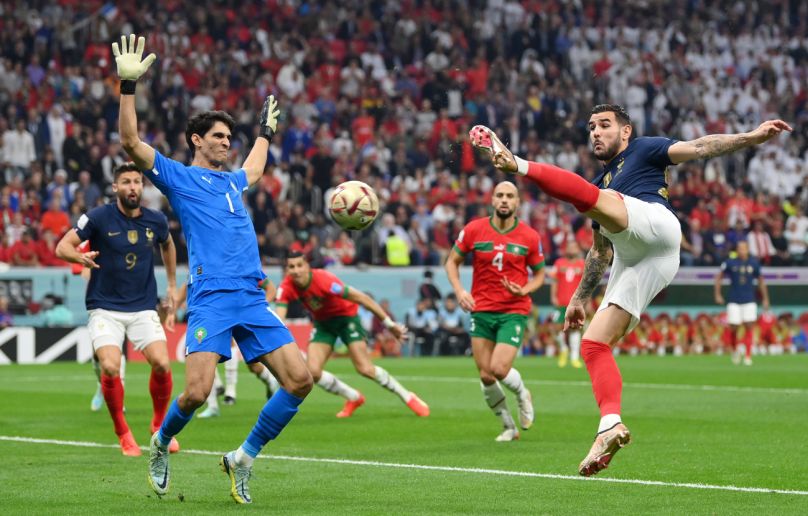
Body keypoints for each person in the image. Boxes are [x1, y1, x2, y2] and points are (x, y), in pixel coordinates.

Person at [470, 105, 790, 475]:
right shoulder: (604, 185)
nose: (595, 132)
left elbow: (700, 147)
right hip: (643, 259)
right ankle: (610, 424)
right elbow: (600, 251)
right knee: (593, 344)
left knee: (588, 196)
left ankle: (518, 163)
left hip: (656, 224)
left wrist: (751, 137)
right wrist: (578, 297)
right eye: (591, 127)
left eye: (604, 125)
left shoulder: (643, 149)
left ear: (625, 131)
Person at [113, 34, 313, 504]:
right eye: (218, 136)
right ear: (197, 141)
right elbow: (130, 142)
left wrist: (264, 133)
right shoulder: (180, 176)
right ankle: (160, 443)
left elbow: (257, 168)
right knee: (198, 392)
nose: (226, 142)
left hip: (251, 295)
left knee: (301, 381)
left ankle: (243, 457)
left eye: (230, 137)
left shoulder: (233, 182)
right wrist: (127, 86)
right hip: (211, 296)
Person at [55, 162, 179, 457]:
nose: (133, 187)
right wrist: (79, 258)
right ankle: (123, 432)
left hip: (142, 307)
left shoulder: (156, 220)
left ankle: (158, 426)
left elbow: (169, 245)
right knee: (110, 366)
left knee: (162, 363)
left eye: (137, 182)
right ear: (115, 187)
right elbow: (62, 247)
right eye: (126, 182)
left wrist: (173, 285)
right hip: (104, 307)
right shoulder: (98, 217)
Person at [445, 181, 546, 442]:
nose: (504, 200)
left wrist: (525, 290)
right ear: (492, 200)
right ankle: (509, 427)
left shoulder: (529, 236)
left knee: (499, 368)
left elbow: (540, 275)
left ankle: (523, 394)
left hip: (513, 310)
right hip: (481, 310)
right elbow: (451, 262)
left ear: (517, 203)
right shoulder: (474, 230)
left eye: (509, 196)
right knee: (485, 374)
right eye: (499, 195)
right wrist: (460, 292)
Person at [275, 251, 430, 418]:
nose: (296, 270)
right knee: (312, 372)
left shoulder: (324, 281)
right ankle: (353, 397)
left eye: (300, 265)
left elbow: (363, 298)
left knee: (365, 369)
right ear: (287, 269)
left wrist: (389, 324)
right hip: (323, 324)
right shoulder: (286, 287)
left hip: (347, 318)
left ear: (307, 266)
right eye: (292, 267)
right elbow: (279, 319)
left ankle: (408, 396)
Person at [169, 281, 282, 418]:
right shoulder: (200, 266)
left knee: (254, 366)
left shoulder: (242, 266)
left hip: (240, 314)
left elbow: (270, 287)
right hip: (210, 314)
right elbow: (187, 284)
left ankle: (265, 382)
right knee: (204, 353)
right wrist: (172, 309)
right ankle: (215, 403)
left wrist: (258, 308)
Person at [714, 240, 770, 366]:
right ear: (737, 249)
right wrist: (718, 294)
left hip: (749, 299)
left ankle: (748, 355)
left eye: (744, 248)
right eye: (739, 248)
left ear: (747, 249)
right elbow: (719, 277)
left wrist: (766, 298)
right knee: (734, 326)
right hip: (734, 299)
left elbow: (761, 281)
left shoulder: (754, 263)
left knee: (749, 325)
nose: (742, 250)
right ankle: (735, 350)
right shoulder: (730, 262)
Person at [551, 241, 585, 368]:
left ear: (578, 249)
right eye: (570, 247)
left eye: (574, 247)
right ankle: (564, 349)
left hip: (575, 303)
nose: (572, 249)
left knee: (575, 328)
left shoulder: (582, 264)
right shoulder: (559, 263)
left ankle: (574, 357)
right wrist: (553, 296)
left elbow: (586, 284)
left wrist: (585, 300)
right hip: (561, 302)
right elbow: (554, 280)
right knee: (556, 328)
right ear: (566, 249)